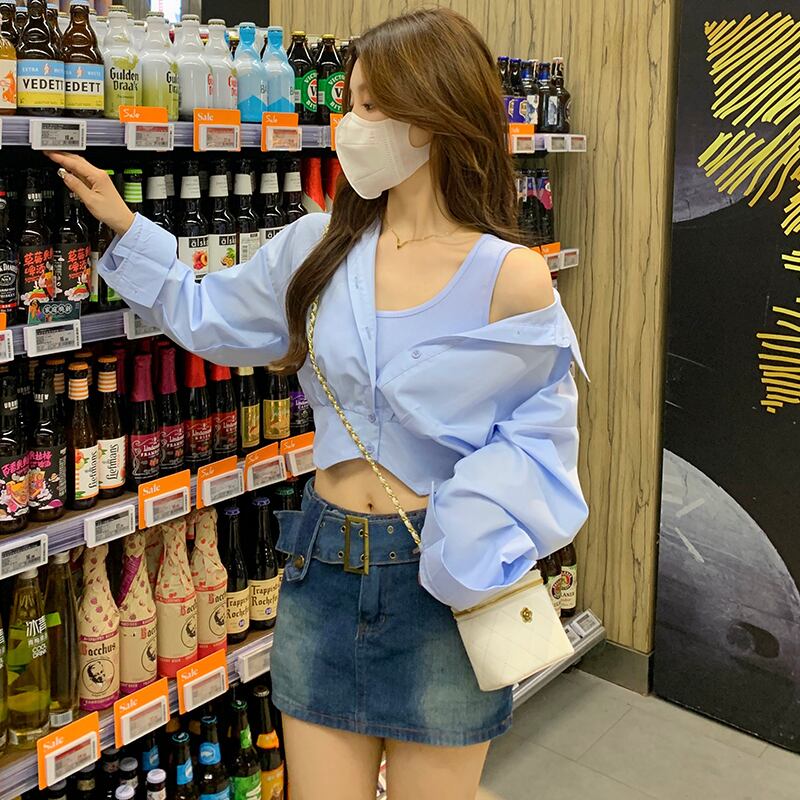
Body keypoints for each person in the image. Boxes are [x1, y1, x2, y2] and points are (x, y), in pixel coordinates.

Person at [47, 9, 588, 799]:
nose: (348, 125)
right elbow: (210, 313)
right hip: (322, 566)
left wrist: (475, 532)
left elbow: (543, 442)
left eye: (368, 106)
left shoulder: (510, 276)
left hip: (445, 582)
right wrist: (128, 226)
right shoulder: (318, 248)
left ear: (432, 116)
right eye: (350, 103)